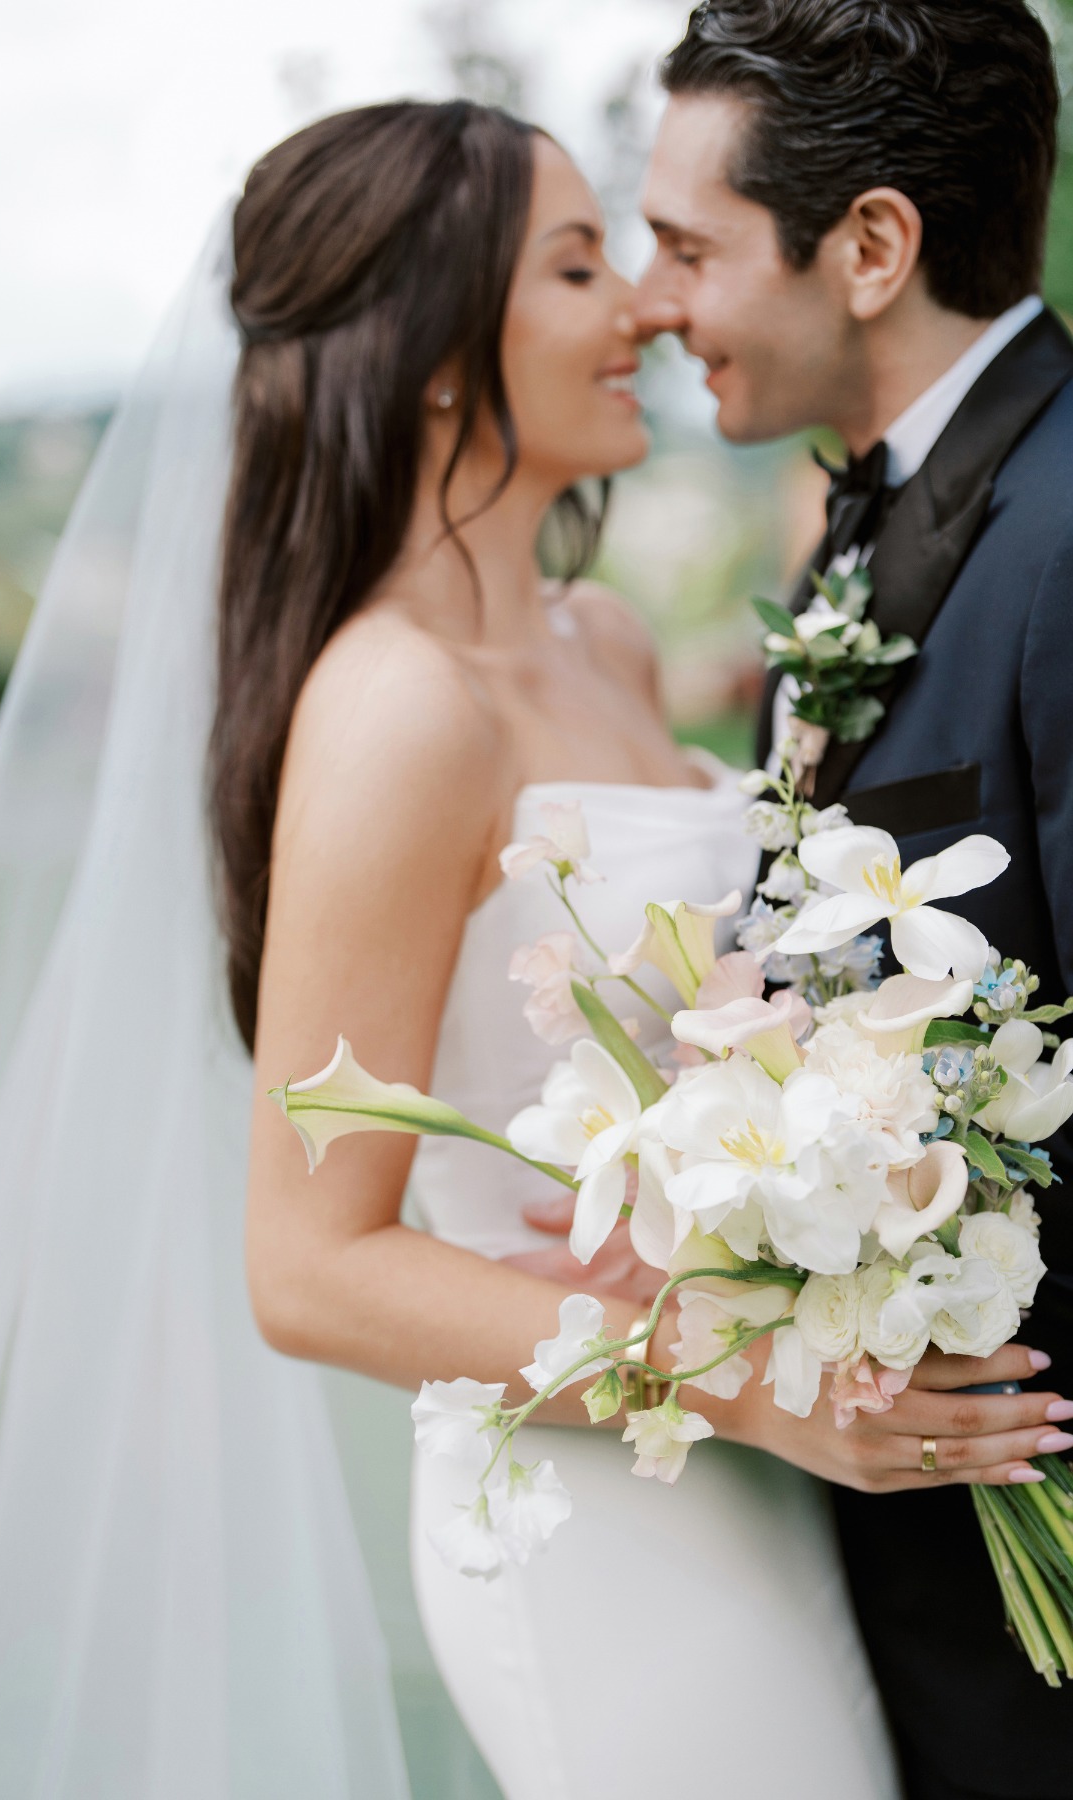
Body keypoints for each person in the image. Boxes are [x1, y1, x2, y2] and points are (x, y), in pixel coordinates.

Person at [233, 101, 1060, 1797]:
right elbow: (307, 1267)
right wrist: (752, 1384)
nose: (644, 310)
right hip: (603, 1507)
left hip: (766, 1473)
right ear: (439, 348)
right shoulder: (394, 709)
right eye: (582, 263)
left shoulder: (600, 639)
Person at [632, 4, 1073, 1796]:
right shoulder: (855, 533)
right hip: (917, 1593)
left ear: (871, 246)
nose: (657, 303)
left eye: (686, 246)